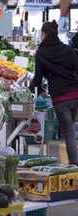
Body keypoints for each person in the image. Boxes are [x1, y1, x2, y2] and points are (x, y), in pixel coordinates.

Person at [30, 20, 78, 165]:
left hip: (61, 99)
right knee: (70, 132)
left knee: (68, 133)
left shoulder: (41, 53)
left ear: (44, 35)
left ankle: (75, 167)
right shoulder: (67, 50)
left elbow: (37, 79)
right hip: (75, 95)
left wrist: (31, 92)